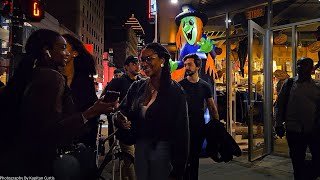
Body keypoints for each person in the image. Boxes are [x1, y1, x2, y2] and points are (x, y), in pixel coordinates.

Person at [0, 29, 117, 176]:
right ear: (47, 51)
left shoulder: (26, 75)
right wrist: (91, 112)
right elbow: (52, 130)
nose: (66, 53)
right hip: (42, 164)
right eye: (62, 48)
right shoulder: (51, 78)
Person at [115, 42, 189, 180]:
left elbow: (182, 131)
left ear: (162, 60)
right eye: (142, 60)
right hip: (141, 146)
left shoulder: (175, 92)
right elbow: (122, 110)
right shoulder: (137, 87)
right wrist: (120, 118)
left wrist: (179, 167)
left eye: (149, 59)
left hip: (163, 149)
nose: (144, 63)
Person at [275, 57, 320, 180]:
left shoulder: (317, 87)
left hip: (313, 130)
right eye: (298, 65)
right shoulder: (289, 84)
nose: (300, 67)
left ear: (311, 69)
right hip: (294, 130)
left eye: (304, 65)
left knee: (317, 160)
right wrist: (278, 123)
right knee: (297, 160)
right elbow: (279, 104)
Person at [178, 53, 219, 180]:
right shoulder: (180, 85)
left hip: (198, 128)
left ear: (198, 66)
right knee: (184, 159)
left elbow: (212, 107)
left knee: (194, 159)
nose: (187, 67)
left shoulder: (205, 86)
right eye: (185, 65)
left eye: (189, 64)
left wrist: (216, 125)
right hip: (183, 128)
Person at [100, 55, 140, 180]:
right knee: (130, 160)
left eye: (138, 63)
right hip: (124, 128)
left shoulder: (141, 82)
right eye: (133, 63)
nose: (137, 65)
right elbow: (107, 102)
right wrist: (117, 115)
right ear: (126, 67)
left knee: (131, 161)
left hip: (139, 129)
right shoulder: (118, 82)